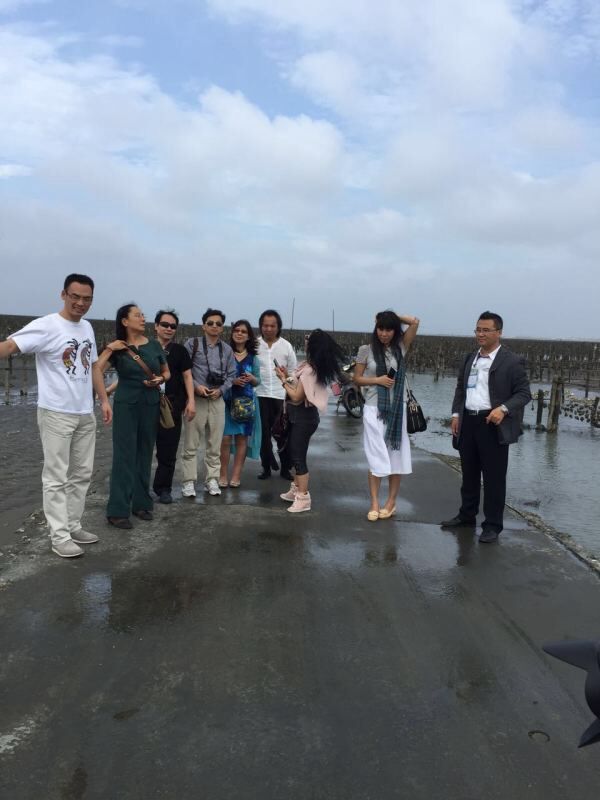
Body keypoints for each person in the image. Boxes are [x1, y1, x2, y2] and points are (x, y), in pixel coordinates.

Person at [0, 274, 112, 558]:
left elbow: (93, 366)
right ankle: (59, 536)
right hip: (56, 413)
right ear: (63, 295)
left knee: (82, 473)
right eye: (75, 296)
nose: (80, 303)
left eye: (87, 298)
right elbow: (10, 346)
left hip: (84, 411)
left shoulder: (86, 327)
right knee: (55, 476)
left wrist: (103, 400)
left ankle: (73, 525)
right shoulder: (47, 325)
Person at [441, 311, 531, 543]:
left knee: (494, 478)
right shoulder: (470, 358)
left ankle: (492, 525)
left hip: (492, 424)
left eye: (486, 330)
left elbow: (524, 393)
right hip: (468, 421)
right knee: (469, 474)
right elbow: (460, 388)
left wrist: (503, 409)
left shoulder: (511, 361)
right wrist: (455, 414)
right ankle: (466, 515)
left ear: (498, 332)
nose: (480, 334)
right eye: (478, 330)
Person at [97, 304, 170, 529]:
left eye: (143, 315)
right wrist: (109, 349)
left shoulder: (154, 345)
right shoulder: (118, 348)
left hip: (150, 403)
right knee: (124, 455)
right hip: (126, 405)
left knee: (145, 453)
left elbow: (166, 372)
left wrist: (160, 379)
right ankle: (117, 510)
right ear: (125, 321)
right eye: (137, 315)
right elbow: (96, 370)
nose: (143, 318)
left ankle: (141, 503)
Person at [353, 311, 420, 521]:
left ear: (395, 331)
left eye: (389, 329)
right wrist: (378, 380)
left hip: (397, 409)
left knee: (394, 456)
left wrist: (390, 315)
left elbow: (415, 322)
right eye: (380, 328)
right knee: (375, 454)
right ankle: (374, 502)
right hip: (373, 408)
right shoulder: (366, 350)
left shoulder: (401, 347)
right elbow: (357, 379)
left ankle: (390, 502)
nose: (384, 333)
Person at [275, 329, 344, 513]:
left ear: (313, 345)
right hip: (303, 417)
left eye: (308, 339)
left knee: (298, 457)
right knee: (294, 453)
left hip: (303, 418)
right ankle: (296, 489)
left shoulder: (309, 370)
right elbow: (300, 387)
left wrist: (282, 380)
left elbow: (297, 397)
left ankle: (303, 497)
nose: (305, 341)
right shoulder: (310, 367)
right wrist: (287, 376)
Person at [181, 309, 236, 498]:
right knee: (191, 443)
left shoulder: (227, 350)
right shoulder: (192, 344)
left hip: (217, 399)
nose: (214, 326)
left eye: (218, 324)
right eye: (210, 323)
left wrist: (221, 390)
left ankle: (212, 479)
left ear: (222, 328)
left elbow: (231, 375)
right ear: (203, 325)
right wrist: (197, 387)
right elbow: (184, 370)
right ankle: (188, 481)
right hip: (196, 399)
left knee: (215, 444)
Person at [152, 310, 196, 504]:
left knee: (168, 450)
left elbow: (187, 376)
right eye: (164, 325)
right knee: (142, 448)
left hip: (171, 405)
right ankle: (138, 488)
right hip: (147, 403)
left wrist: (191, 401)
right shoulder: (145, 348)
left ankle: (163, 488)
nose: (168, 329)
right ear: (156, 326)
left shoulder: (179, 351)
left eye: (172, 326)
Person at [219, 320, 262, 487]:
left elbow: (258, 381)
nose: (239, 333)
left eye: (243, 331)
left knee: (242, 439)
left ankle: (236, 476)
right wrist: (232, 381)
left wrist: (252, 378)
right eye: (236, 330)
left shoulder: (254, 358)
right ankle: (222, 475)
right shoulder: (225, 354)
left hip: (245, 404)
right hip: (226, 401)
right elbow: (219, 377)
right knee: (224, 439)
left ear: (248, 336)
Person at [255, 309, 297, 480]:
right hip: (260, 394)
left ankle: (285, 468)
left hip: (281, 395)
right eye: (265, 325)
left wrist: (287, 377)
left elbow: (294, 372)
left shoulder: (286, 346)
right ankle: (266, 467)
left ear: (278, 327)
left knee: (283, 434)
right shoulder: (255, 344)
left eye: (272, 326)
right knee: (263, 435)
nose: (269, 329)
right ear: (261, 326)